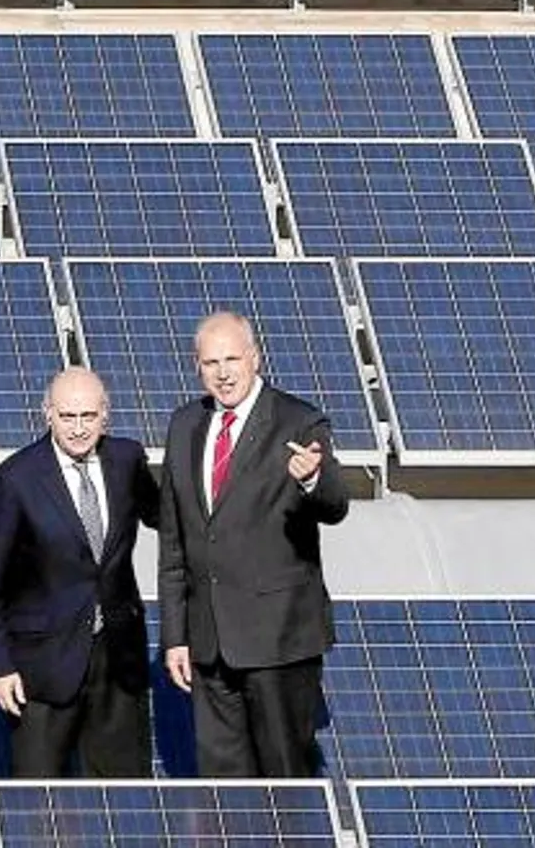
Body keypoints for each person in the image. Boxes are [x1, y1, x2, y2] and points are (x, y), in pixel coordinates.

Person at [157, 310, 350, 777]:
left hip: (278, 640)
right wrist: (175, 635)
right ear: (196, 367)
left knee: (284, 778)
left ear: (255, 358)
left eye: (231, 359)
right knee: (228, 793)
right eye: (210, 363)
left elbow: (335, 504)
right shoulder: (185, 426)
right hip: (209, 644)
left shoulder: (297, 421)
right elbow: (175, 540)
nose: (222, 373)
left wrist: (313, 480)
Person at [0, 367, 161, 777]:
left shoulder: (127, 461)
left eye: (88, 417)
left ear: (105, 416)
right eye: (67, 417)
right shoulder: (17, 478)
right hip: (41, 668)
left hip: (117, 664)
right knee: (41, 806)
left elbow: (171, 519)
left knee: (125, 803)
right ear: (48, 414)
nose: (78, 429)